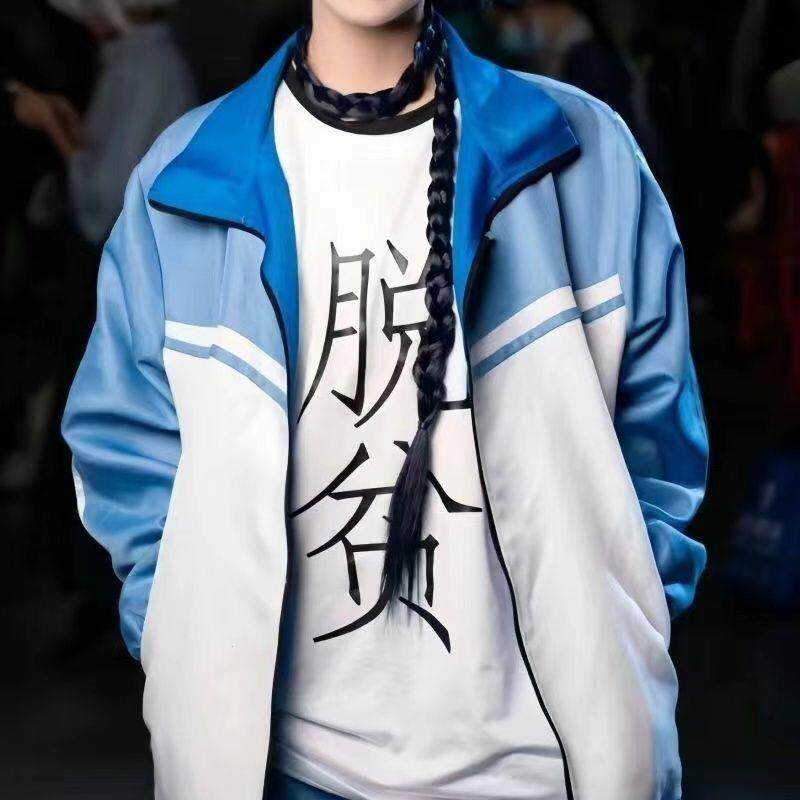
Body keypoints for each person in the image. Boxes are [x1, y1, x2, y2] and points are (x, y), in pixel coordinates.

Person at [61, 2, 708, 798]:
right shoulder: (184, 178)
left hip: (546, 773)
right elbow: (126, 453)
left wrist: (623, 634)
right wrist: (181, 643)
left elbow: (657, 447)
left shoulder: (583, 154)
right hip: (282, 772)